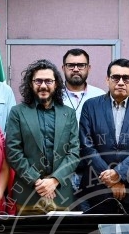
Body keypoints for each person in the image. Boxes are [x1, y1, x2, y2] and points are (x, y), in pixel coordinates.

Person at [79, 58, 129, 214]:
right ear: (107, 80)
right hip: (98, 189)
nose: (121, 82)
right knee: (96, 230)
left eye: (126, 78)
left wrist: (119, 174)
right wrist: (111, 180)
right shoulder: (90, 106)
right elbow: (86, 146)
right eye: (116, 77)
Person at [5, 60, 79, 214]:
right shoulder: (17, 112)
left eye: (48, 81)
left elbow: (74, 152)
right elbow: (13, 152)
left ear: (56, 84)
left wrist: (54, 180)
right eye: (38, 81)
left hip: (61, 194)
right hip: (28, 194)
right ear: (30, 83)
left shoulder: (69, 113)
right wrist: (37, 181)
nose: (43, 85)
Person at [61, 48, 105, 122]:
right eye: (71, 65)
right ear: (63, 68)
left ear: (88, 68)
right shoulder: (54, 95)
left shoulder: (100, 96)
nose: (75, 69)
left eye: (81, 65)